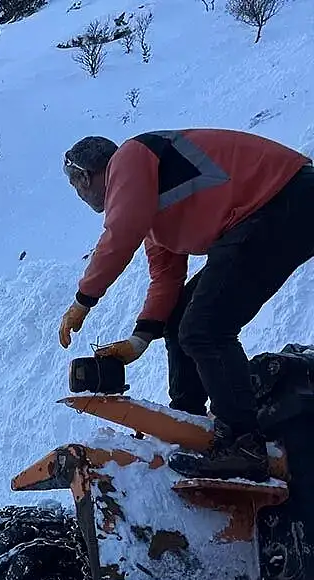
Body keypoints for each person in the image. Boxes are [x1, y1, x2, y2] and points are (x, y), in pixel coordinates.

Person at [57, 128, 314, 481]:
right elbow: (165, 278)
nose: (80, 195)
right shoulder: (149, 198)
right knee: (182, 318)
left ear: (85, 175)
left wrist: (83, 301)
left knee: (204, 328)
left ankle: (242, 444)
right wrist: (139, 340)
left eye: (76, 186)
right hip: (275, 206)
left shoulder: (130, 158)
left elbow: (120, 233)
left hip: (282, 198)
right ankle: (188, 419)